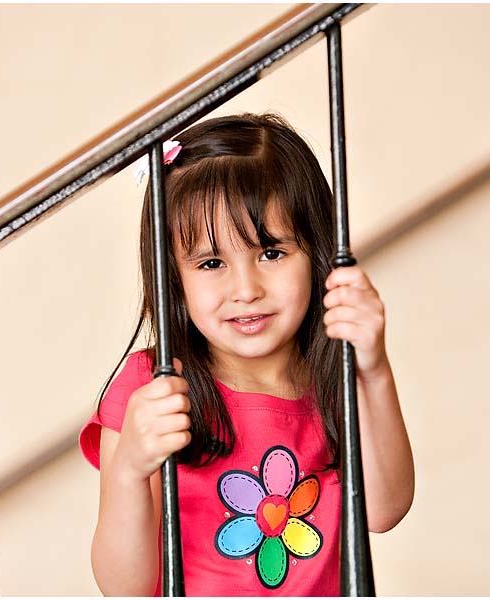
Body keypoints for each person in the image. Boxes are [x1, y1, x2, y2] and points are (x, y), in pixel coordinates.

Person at [79, 112, 414, 596]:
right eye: (212, 263)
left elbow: (385, 509)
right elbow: (124, 588)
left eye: (271, 253)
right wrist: (131, 469)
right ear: (175, 278)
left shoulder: (333, 375)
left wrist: (374, 371)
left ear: (315, 252)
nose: (246, 289)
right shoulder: (151, 387)